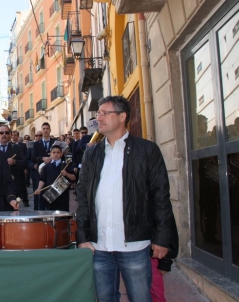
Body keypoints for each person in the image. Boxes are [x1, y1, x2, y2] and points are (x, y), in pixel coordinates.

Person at [75, 95, 176, 302]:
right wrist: (83, 237)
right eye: (98, 114)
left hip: (135, 246)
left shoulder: (147, 150)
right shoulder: (91, 154)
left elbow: (161, 197)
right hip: (99, 247)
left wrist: (162, 238)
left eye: (105, 113)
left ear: (122, 116)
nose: (98, 118)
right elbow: (83, 198)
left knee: (140, 298)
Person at [34, 145, 76, 211]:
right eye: (54, 152)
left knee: (62, 216)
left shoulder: (66, 165)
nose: (56, 154)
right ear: (50, 154)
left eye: (58, 152)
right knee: (50, 214)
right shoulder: (46, 167)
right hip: (50, 195)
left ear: (61, 154)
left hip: (63, 196)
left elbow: (74, 178)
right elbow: (42, 179)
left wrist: (66, 174)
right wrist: (39, 189)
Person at [0, 125, 29, 207]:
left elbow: (24, 162)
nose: (4, 134)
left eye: (6, 132)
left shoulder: (17, 148)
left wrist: (15, 162)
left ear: (10, 134)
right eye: (1, 133)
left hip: (13, 184)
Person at [32, 122, 56, 210]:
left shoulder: (55, 142)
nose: (45, 130)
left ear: (50, 130)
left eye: (47, 128)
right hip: (41, 172)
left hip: (52, 172)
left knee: (51, 194)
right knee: (40, 195)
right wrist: (42, 158)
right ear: (42, 130)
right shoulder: (37, 144)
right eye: (44, 128)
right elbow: (33, 157)